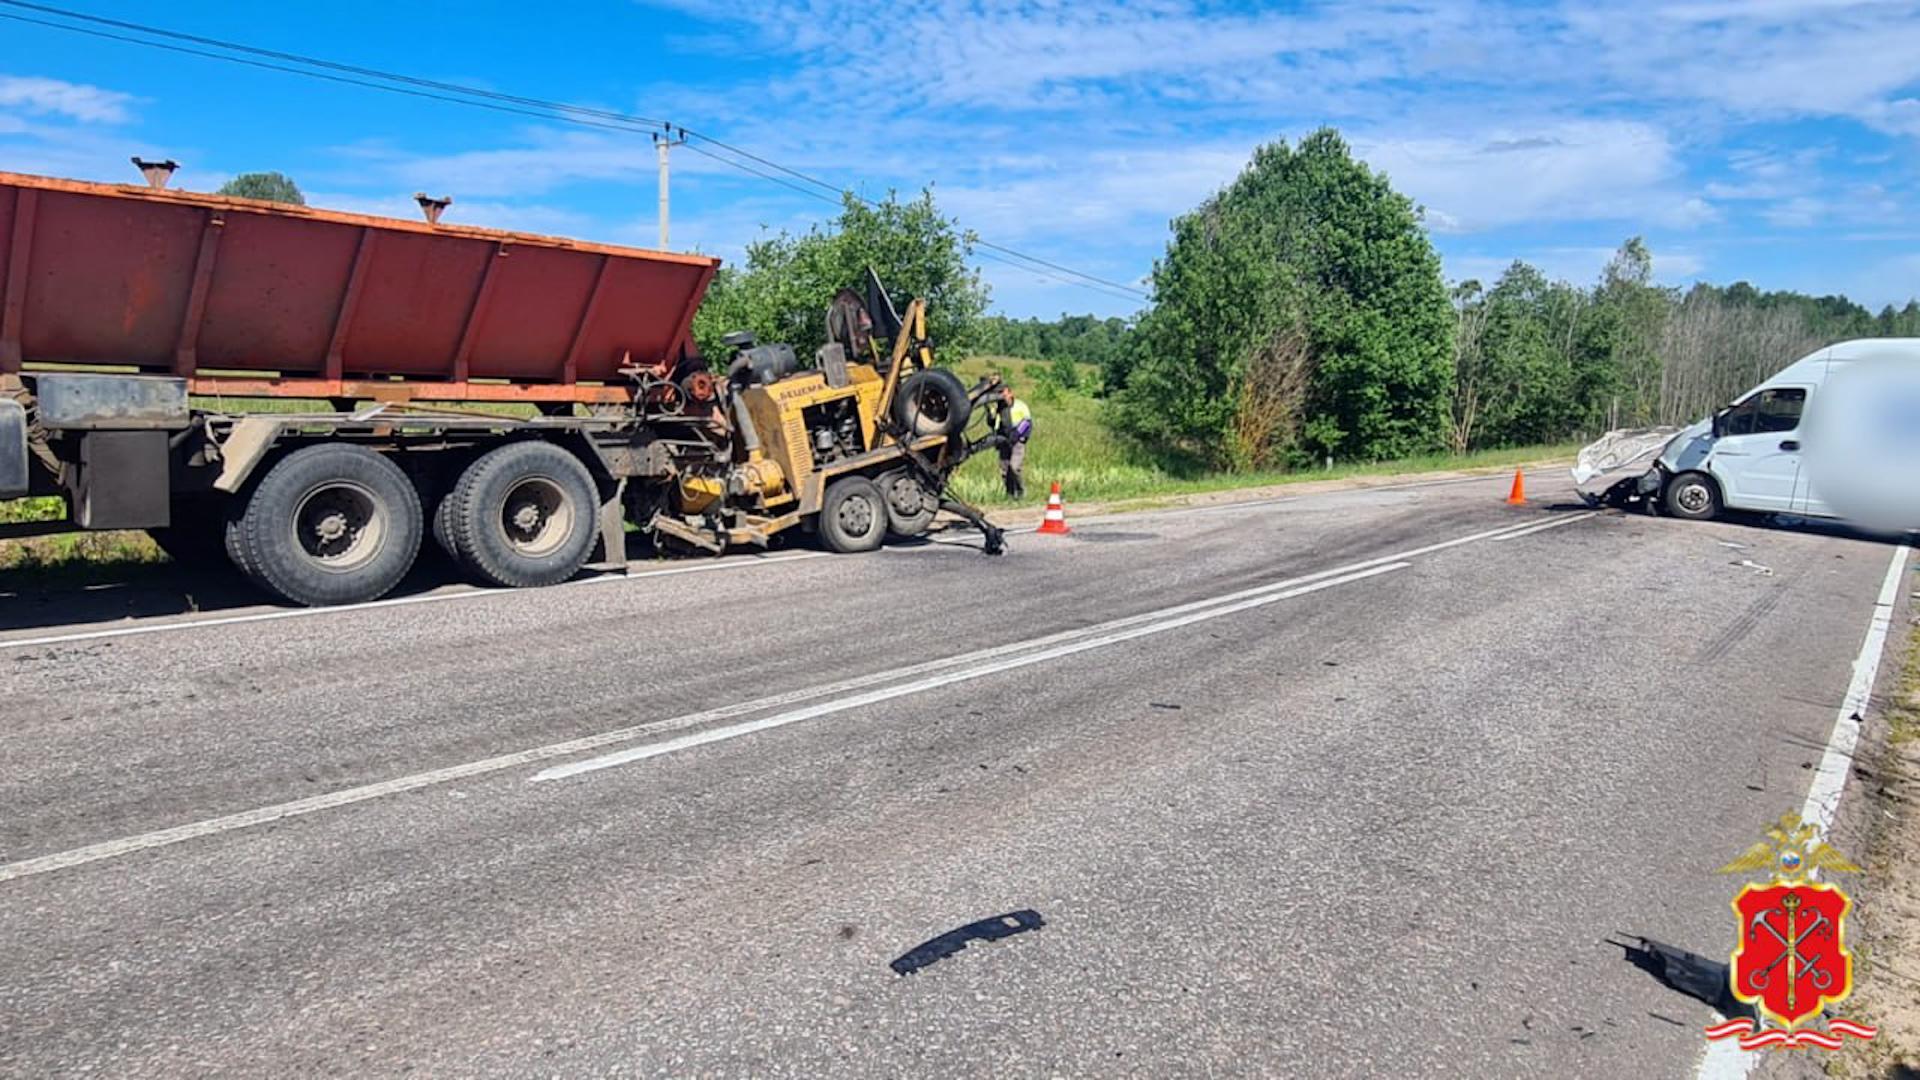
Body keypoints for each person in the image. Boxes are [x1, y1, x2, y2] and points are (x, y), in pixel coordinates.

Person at [996, 386, 1032, 499]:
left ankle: (1021, 491)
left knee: (1014, 467)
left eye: (1004, 393)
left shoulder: (1020, 405)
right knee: (1005, 470)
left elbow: (1027, 422)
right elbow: (995, 424)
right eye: (1000, 393)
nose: (1002, 396)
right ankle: (1010, 494)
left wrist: (1018, 436)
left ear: (1010, 393)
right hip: (1004, 441)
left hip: (1017, 441)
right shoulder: (999, 408)